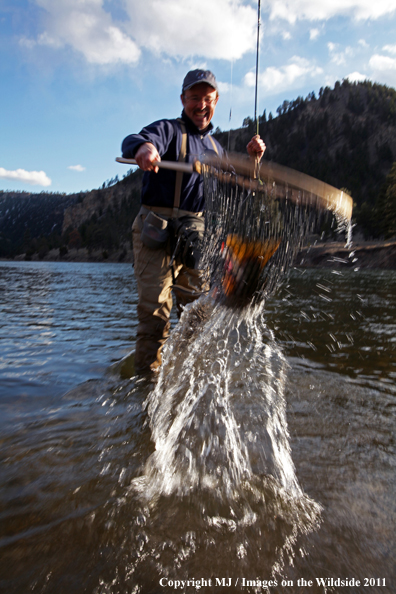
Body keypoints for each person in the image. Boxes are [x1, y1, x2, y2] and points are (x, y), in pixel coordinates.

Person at [121, 69, 266, 373]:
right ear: (183, 99)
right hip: (154, 231)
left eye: (207, 99)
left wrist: (254, 162)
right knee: (155, 314)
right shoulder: (166, 130)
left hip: (194, 236)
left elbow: (239, 187)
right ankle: (146, 381)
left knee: (197, 315)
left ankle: (182, 374)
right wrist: (144, 149)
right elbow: (133, 140)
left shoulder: (216, 149)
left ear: (216, 102)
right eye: (195, 98)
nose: (201, 105)